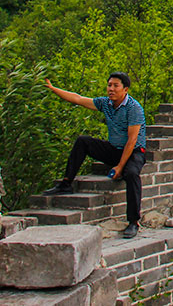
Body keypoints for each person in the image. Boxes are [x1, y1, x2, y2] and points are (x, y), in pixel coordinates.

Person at [42, 72, 147, 239]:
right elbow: (78, 99)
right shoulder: (105, 103)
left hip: (134, 151)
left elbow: (132, 140)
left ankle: (133, 221)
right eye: (109, 85)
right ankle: (66, 183)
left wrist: (120, 167)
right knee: (83, 141)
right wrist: (54, 89)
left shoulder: (134, 108)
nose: (111, 89)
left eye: (115, 86)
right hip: (114, 149)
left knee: (131, 174)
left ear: (125, 89)